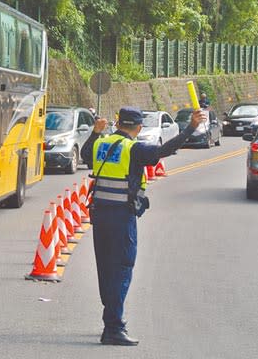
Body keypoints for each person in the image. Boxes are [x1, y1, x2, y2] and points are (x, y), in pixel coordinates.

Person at [87, 106, 206, 346]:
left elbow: (85, 155)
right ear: (139, 128)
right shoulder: (134, 149)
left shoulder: (101, 143)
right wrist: (191, 127)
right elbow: (165, 150)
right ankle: (113, 327)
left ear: (118, 123)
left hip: (99, 215)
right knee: (122, 268)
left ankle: (110, 315)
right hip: (121, 217)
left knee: (106, 267)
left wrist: (94, 132)